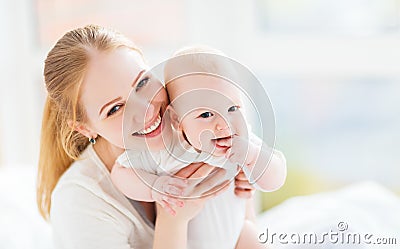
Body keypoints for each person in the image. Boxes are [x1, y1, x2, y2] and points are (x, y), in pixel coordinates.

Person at [36, 25, 257, 249]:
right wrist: (173, 220)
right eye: (115, 109)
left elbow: (243, 232)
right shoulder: (80, 203)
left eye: (142, 83)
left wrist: (241, 188)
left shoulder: (194, 123)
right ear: (85, 129)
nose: (146, 111)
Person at [111, 46, 287, 249]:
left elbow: (276, 177)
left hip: (238, 238)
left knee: (252, 236)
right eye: (206, 115)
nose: (224, 124)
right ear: (177, 120)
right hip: (189, 243)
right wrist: (154, 187)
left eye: (232, 108)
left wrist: (253, 155)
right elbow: (120, 172)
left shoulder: (242, 142)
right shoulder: (167, 149)